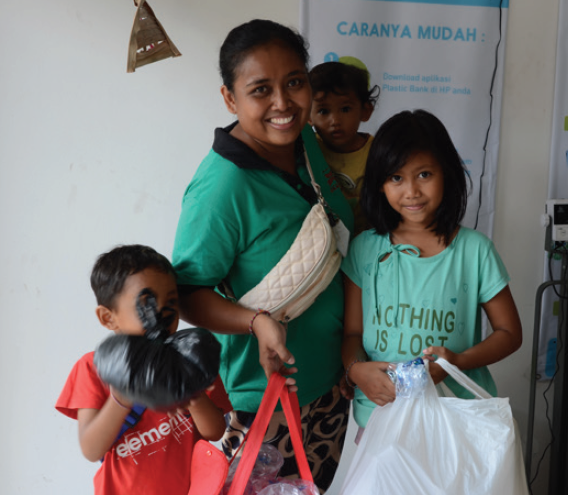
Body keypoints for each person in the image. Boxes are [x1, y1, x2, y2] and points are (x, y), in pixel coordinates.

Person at [171, 19, 354, 493]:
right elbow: (188, 293)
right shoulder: (221, 186)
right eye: (261, 90)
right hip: (263, 401)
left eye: (295, 82)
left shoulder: (305, 143)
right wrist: (255, 322)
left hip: (328, 385)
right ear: (230, 99)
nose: (283, 103)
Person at [341, 109, 522, 434]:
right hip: (382, 416)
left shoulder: (475, 250)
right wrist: (356, 371)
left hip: (455, 417)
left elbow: (509, 333)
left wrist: (456, 363)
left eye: (424, 174)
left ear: (447, 174)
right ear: (380, 184)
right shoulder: (364, 248)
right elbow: (352, 334)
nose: (411, 191)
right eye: (396, 177)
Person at [55, 244, 228, 495]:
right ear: (108, 318)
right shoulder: (93, 369)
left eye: (171, 302)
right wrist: (121, 397)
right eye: (146, 305)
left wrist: (193, 394)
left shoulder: (191, 358)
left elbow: (214, 432)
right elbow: (91, 449)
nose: (161, 315)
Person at [309, 61, 379, 234]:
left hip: (369, 239)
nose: (335, 121)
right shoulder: (309, 148)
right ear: (308, 117)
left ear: (365, 111)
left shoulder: (378, 151)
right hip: (323, 241)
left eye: (345, 109)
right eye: (324, 111)